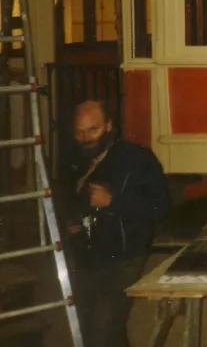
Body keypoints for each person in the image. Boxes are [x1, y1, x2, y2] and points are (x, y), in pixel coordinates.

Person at [64, 100, 171, 347]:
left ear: (109, 126)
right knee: (90, 329)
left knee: (103, 328)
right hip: (84, 257)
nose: (86, 137)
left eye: (93, 129)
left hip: (124, 255)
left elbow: (161, 206)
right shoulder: (73, 159)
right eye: (79, 131)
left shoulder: (136, 158)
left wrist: (114, 201)